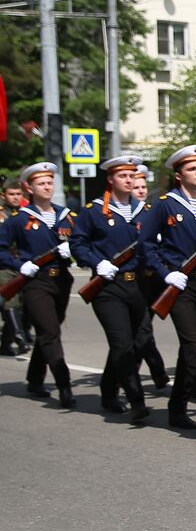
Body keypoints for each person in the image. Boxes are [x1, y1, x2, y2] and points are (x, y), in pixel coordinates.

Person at [138, 145, 196, 436]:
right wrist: (167, 274)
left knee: (193, 349)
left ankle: (178, 408)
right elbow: (146, 244)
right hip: (180, 286)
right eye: (192, 169)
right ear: (179, 176)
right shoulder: (166, 204)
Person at [70, 155, 152, 419]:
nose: (129, 180)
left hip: (138, 285)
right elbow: (78, 244)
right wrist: (97, 262)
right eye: (123, 176)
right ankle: (136, 399)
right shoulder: (94, 210)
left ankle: (107, 388)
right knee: (121, 343)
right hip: (107, 287)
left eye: (132, 176)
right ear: (110, 179)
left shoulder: (144, 211)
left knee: (138, 341)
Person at [0, 162, 77, 406]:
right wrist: (19, 263)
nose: (47, 187)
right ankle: (64, 385)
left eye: (49, 182)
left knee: (48, 332)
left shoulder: (65, 216)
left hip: (62, 280)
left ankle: (34, 379)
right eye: (41, 183)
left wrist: (73, 250)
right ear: (29, 188)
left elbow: (83, 243)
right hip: (35, 282)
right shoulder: (18, 219)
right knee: (50, 332)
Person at [129, 166, 170, 390]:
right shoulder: (119, 211)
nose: (141, 191)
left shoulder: (150, 211)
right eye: (136, 187)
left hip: (153, 278)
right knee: (140, 330)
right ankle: (157, 370)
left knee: (140, 330)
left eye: (143, 186)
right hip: (134, 279)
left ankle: (121, 379)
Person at [1, 179, 35, 356]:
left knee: (23, 303)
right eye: (11, 194)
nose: (15, 198)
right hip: (4, 264)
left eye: (18, 194)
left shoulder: (24, 213)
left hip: (23, 263)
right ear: (4, 195)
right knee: (11, 301)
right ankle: (20, 338)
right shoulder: (1, 215)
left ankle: (6, 342)